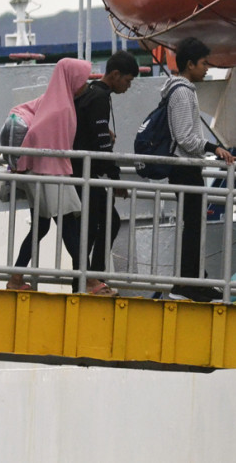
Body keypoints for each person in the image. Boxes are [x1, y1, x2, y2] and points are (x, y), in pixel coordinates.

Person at [7, 58, 93, 290]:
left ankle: (16, 278)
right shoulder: (62, 108)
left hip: (44, 172)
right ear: (72, 79)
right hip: (51, 173)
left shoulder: (54, 100)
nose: (85, 84)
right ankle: (90, 279)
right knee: (68, 228)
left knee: (42, 227)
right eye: (83, 79)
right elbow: (36, 133)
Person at [59, 51, 139, 296]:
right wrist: (115, 178)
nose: (128, 86)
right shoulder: (100, 98)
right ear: (115, 75)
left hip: (78, 172)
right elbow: (102, 142)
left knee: (91, 228)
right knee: (106, 223)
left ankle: (84, 281)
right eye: (127, 80)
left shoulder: (88, 94)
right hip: (87, 173)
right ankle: (95, 277)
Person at [163, 37, 235, 302]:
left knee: (193, 225)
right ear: (190, 64)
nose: (207, 68)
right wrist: (213, 147)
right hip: (185, 167)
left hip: (186, 167)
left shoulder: (179, 89)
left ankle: (194, 278)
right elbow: (185, 137)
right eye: (204, 63)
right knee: (193, 226)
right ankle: (188, 282)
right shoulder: (183, 92)